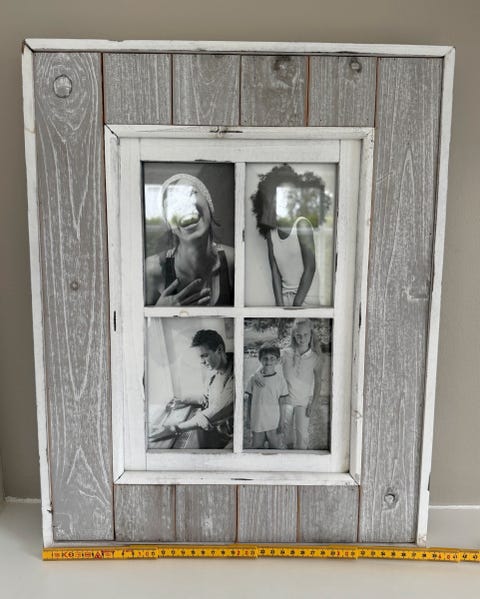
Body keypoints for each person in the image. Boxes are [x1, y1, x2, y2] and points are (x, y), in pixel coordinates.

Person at [145, 173, 234, 306]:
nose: (184, 205)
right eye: (173, 202)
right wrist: (159, 312)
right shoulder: (151, 270)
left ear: (209, 206)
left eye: (191, 193)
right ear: (170, 225)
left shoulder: (233, 261)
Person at [251, 164, 324, 307]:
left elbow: (310, 268)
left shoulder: (302, 225)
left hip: (306, 296)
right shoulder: (271, 233)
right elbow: (275, 271)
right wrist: (280, 306)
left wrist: (295, 307)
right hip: (285, 297)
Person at [252, 318, 323, 449]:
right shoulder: (286, 353)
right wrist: (257, 373)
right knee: (286, 435)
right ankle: (289, 454)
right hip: (286, 402)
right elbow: (269, 361)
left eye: (306, 335)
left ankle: (301, 457)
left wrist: (313, 404)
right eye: (298, 335)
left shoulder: (315, 358)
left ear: (311, 334)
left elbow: (318, 383)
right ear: (294, 335)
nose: (302, 338)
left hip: (303, 403)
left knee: (302, 436)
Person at [160, 329, 234, 449]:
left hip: (231, 439)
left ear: (219, 350)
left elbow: (217, 410)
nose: (202, 362)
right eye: (200, 357)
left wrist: (175, 428)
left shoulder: (235, 375)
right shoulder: (215, 371)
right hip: (217, 433)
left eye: (204, 356)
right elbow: (207, 398)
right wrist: (182, 399)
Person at [244, 342, 289, 449]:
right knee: (257, 448)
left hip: (274, 421)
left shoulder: (280, 380)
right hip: (257, 420)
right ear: (260, 359)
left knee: (275, 448)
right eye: (265, 358)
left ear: (277, 360)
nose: (268, 361)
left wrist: (282, 422)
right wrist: (248, 418)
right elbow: (249, 401)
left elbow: (282, 403)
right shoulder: (253, 379)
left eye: (272, 358)